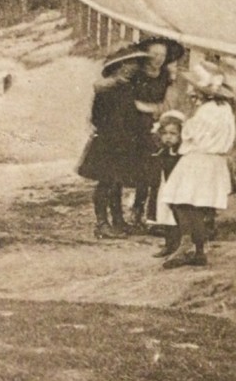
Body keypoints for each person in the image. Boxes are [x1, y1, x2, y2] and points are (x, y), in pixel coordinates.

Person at [159, 61, 236, 269]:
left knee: (183, 203)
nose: (191, 90)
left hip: (199, 160)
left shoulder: (205, 112)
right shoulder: (225, 109)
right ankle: (199, 251)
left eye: (194, 88)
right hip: (215, 161)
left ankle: (187, 246)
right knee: (195, 205)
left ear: (203, 93)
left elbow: (188, 135)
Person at [76, 44, 150, 239]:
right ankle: (102, 223)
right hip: (108, 142)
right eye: (129, 63)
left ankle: (118, 220)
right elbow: (97, 118)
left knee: (117, 182)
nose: (133, 67)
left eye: (135, 64)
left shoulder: (129, 88)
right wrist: (116, 132)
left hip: (123, 141)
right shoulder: (106, 89)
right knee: (106, 182)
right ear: (119, 66)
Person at [127, 36, 185, 230]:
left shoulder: (166, 77)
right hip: (138, 126)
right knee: (142, 171)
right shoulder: (137, 75)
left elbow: (170, 103)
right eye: (154, 54)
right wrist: (148, 108)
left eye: (163, 54)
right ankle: (136, 210)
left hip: (160, 126)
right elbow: (130, 102)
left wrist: (162, 109)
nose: (158, 58)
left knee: (156, 172)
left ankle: (156, 214)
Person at [147, 110, 185, 257]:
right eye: (165, 133)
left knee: (176, 215)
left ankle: (178, 245)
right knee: (164, 214)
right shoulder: (162, 151)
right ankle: (169, 244)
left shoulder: (182, 154)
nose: (168, 137)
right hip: (164, 187)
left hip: (177, 188)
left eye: (173, 133)